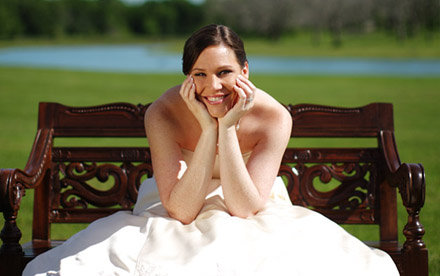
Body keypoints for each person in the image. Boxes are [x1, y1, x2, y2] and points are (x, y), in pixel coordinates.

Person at [23, 24, 399, 276]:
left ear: (245, 72)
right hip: (175, 202)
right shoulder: (164, 113)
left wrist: (229, 127)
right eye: (199, 74)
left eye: (224, 72)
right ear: (187, 76)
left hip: (250, 199)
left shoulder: (273, 118)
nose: (212, 86)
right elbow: (183, 211)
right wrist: (208, 129)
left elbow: (243, 208)